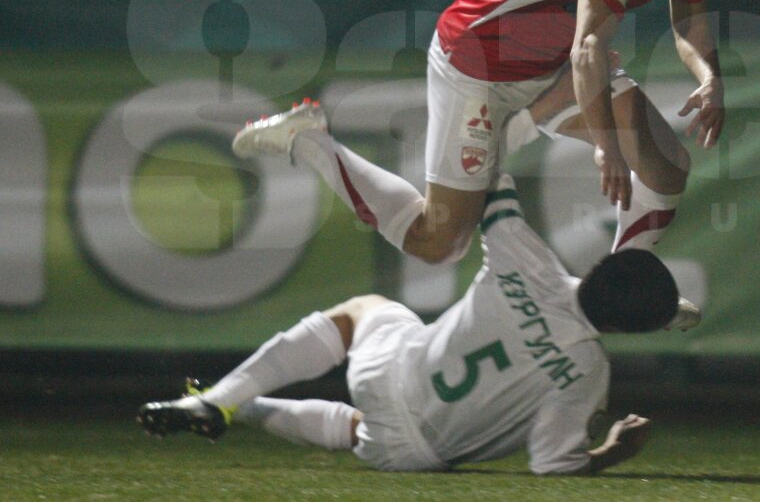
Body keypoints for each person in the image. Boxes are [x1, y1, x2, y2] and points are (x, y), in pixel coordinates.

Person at [233, 0, 753, 324]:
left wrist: (710, 79)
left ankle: (621, 291)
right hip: (479, 66)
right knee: (439, 243)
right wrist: (607, 149)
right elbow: (588, 48)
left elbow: (688, 22)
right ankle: (310, 140)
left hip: (549, 65)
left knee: (666, 164)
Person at [138, 177, 678, 475]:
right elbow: (552, 464)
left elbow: (488, 178)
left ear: (603, 264)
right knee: (359, 431)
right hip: (410, 456)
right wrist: (614, 450)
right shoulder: (587, 371)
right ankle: (233, 405)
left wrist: (504, 112)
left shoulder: (530, 262)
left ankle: (225, 398)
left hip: (390, 379)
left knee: (369, 312)